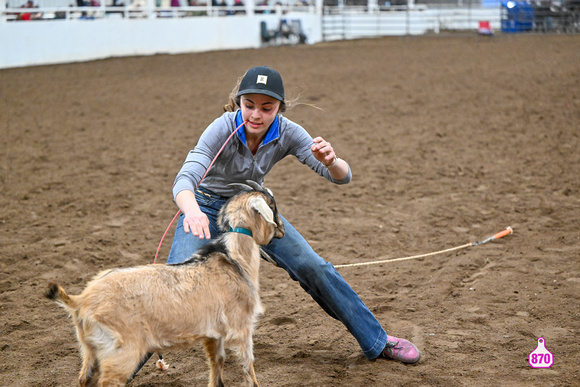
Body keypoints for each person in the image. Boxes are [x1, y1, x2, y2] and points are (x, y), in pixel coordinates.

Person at [167, 66, 421, 364]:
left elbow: (342, 177)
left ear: (279, 108)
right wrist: (193, 211)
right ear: (239, 103)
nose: (256, 115)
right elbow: (185, 180)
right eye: (249, 106)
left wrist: (332, 160)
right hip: (204, 207)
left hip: (253, 210)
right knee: (173, 286)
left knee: (314, 267)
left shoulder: (288, 132)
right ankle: (111, 367)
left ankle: (378, 340)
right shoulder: (221, 128)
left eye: (266, 108)